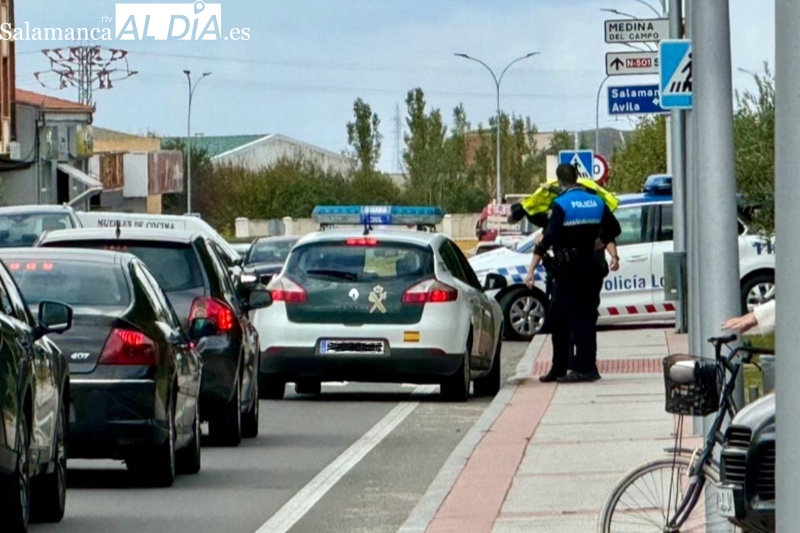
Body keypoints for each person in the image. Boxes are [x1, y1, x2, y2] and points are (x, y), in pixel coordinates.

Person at [523, 163, 621, 383]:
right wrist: (599, 242)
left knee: (578, 319)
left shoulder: (560, 205)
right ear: (576, 178)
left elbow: (546, 240)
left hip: (568, 269)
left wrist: (531, 270)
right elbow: (614, 229)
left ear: (560, 182)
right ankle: (558, 367)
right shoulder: (597, 201)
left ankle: (586, 368)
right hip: (589, 266)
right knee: (561, 317)